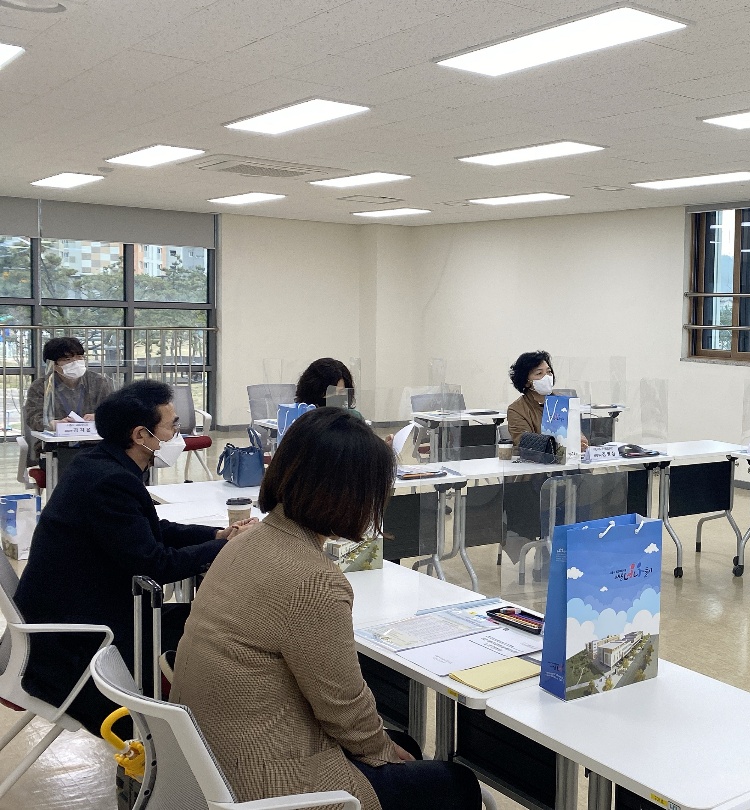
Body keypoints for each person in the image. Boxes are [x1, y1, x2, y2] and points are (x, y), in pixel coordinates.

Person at [173, 408, 482, 810]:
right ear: (350, 496)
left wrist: (381, 746)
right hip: (267, 779)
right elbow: (343, 706)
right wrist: (382, 751)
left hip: (209, 757)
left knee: (402, 743)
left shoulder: (246, 541)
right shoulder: (313, 580)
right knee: (457, 782)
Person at [13, 379, 256, 736]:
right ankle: (181, 733)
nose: (178, 435)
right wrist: (227, 547)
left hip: (81, 610)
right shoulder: (108, 481)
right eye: (172, 426)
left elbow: (149, 529)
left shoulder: (101, 464)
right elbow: (155, 564)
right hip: (75, 639)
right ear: (141, 435)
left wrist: (216, 536)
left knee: (207, 620)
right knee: (213, 630)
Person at [18, 336, 114, 476]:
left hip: (94, 447)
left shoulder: (98, 382)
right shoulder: (40, 386)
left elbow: (114, 411)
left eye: (79, 357)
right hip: (56, 449)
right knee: (75, 468)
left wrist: (99, 417)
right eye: (68, 359)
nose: (76, 363)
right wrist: (52, 424)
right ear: (53, 364)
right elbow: (33, 417)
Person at [506, 350, 588, 450]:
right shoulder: (516, 410)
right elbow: (523, 442)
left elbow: (575, 432)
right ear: (526, 381)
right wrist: (556, 445)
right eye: (539, 373)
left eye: (549, 372)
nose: (547, 377)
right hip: (537, 459)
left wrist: (579, 439)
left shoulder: (562, 402)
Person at [295, 356, 360, 416]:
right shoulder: (298, 417)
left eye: (341, 392)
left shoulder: (353, 418)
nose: (336, 397)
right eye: (330, 392)